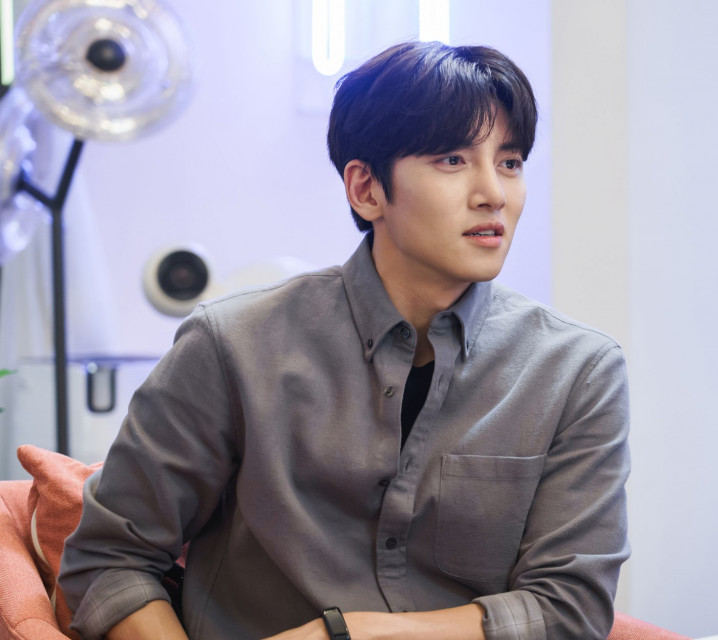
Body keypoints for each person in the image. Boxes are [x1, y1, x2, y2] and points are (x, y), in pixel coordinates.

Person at [59, 41, 631, 640]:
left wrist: (349, 634)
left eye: (510, 162)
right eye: (453, 159)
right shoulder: (232, 345)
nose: (494, 193)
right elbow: (110, 559)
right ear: (366, 189)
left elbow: (570, 607)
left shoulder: (576, 371)